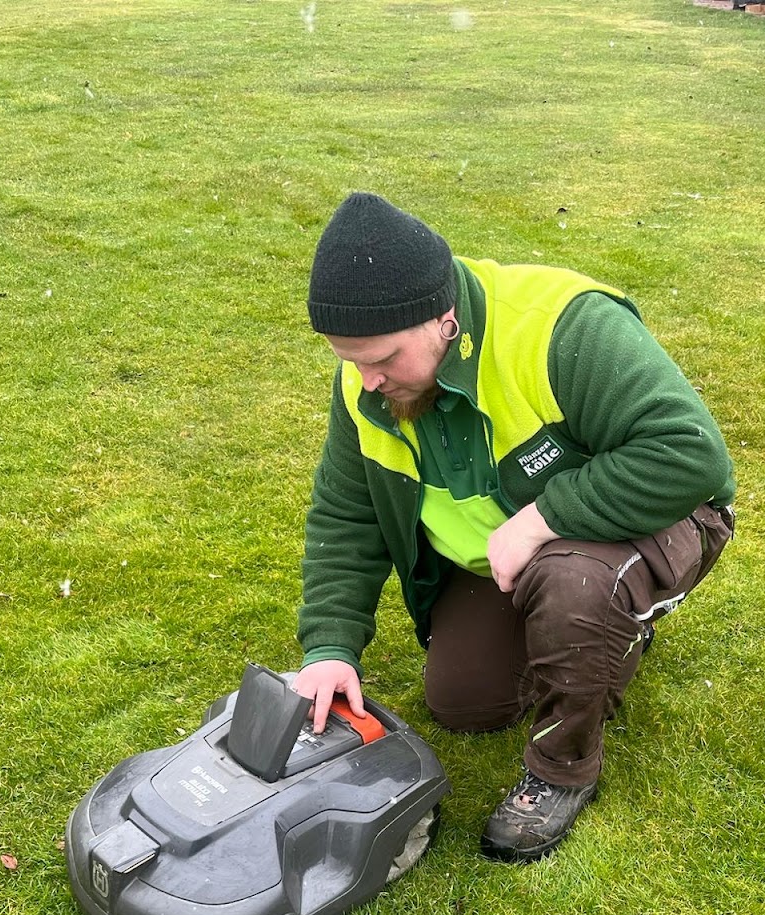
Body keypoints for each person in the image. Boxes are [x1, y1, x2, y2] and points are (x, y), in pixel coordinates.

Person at [293, 192, 735, 863]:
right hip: (509, 556)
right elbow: (346, 514)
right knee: (464, 701)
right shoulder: (366, 381)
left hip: (666, 511)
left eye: (382, 359)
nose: (367, 380)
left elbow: (689, 455)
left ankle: (562, 772)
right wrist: (330, 646)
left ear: (443, 321)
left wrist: (544, 518)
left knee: (577, 586)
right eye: (349, 360)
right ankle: (605, 637)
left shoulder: (563, 328)